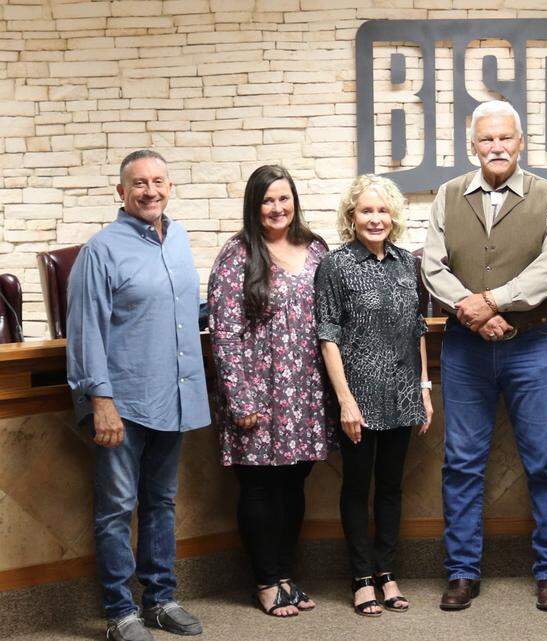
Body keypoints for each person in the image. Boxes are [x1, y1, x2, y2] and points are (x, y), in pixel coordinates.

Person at [421, 100, 547, 612]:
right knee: (462, 463)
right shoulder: (446, 196)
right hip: (465, 349)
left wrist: (494, 300)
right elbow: (432, 267)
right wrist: (476, 313)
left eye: (505, 138)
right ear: (473, 145)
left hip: (533, 345)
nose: (496, 147)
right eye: (486, 139)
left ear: (521, 141)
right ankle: (462, 572)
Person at [66, 150, 209, 641]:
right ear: (121, 192)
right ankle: (119, 612)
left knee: (161, 505)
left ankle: (161, 601)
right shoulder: (100, 250)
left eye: (158, 181)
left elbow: (183, 309)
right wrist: (100, 402)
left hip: (172, 398)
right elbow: (85, 333)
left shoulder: (180, 238)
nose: (150, 191)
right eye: (138, 184)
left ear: (170, 186)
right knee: (116, 509)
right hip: (122, 405)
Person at [207, 164, 333, 617]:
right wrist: (240, 398)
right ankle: (264, 580)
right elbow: (223, 331)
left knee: (294, 482)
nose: (277, 208)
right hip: (257, 390)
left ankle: (285, 575)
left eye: (284, 198)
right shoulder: (237, 254)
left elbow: (333, 317)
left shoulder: (317, 248)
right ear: (254, 206)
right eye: (267, 200)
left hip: (306, 390)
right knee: (259, 485)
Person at [315, 174, 433, 617]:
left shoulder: (406, 262)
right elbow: (328, 336)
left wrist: (423, 389)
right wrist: (345, 400)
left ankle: (387, 572)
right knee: (356, 487)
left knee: (390, 489)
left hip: (403, 395)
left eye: (383, 210)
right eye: (367, 210)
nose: (376, 218)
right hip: (358, 400)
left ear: (394, 216)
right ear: (351, 217)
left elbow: (417, 329)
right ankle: (361, 577)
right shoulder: (336, 265)